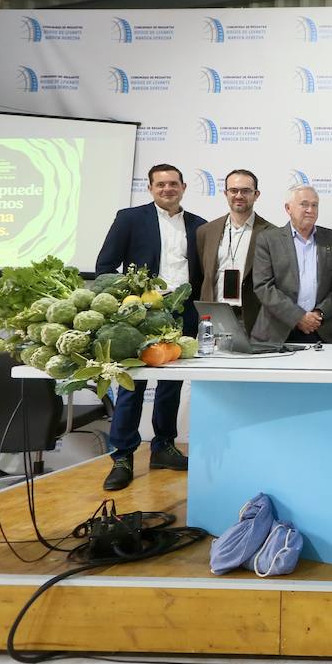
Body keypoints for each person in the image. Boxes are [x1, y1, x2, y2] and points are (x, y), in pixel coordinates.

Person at [94, 163, 204, 491]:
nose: (167, 189)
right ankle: (122, 456)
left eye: (173, 184)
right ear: (151, 188)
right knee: (132, 385)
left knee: (171, 385)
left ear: (183, 187)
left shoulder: (199, 225)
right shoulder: (130, 219)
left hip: (183, 312)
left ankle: (163, 447)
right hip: (139, 314)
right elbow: (105, 266)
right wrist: (128, 300)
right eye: (161, 184)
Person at [251, 185, 332, 344]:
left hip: (321, 329)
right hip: (277, 331)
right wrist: (298, 317)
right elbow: (263, 286)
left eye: (314, 205)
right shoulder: (268, 240)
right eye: (304, 204)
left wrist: (319, 313)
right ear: (288, 208)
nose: (310, 210)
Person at [196, 169, 273, 334]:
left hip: (252, 319)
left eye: (246, 191)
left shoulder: (272, 234)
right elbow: (204, 273)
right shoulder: (206, 231)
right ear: (225, 193)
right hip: (213, 317)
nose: (239, 195)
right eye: (233, 190)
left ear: (256, 194)